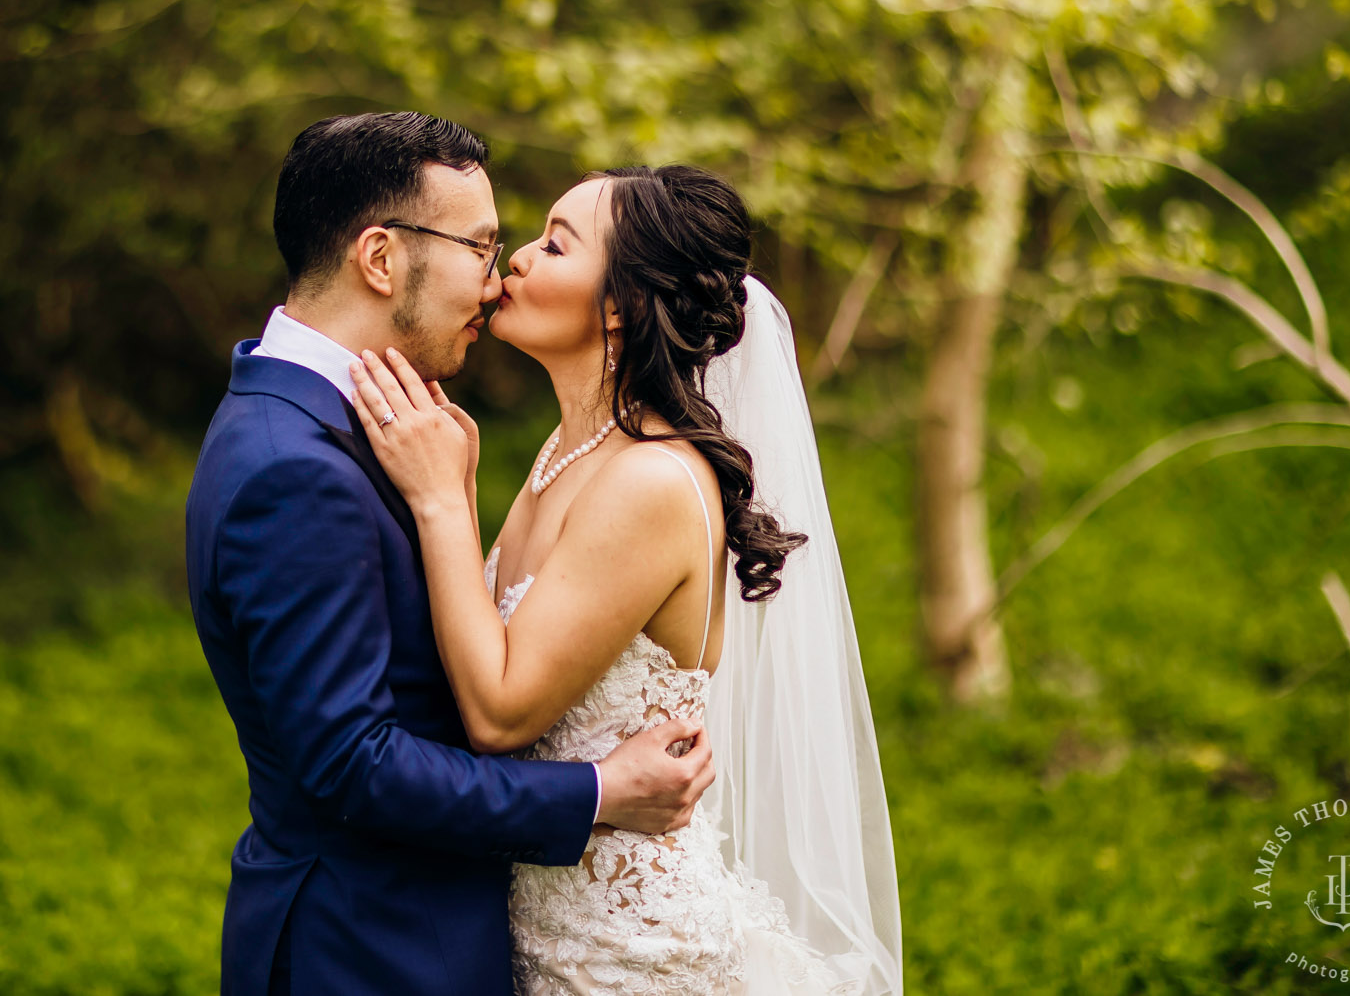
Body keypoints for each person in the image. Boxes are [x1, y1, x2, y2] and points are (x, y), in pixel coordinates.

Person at [185, 115, 717, 996]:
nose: (498, 274)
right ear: (383, 259)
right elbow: (353, 761)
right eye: (482, 244)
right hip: (369, 952)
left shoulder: (359, 426)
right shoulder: (296, 466)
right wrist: (595, 793)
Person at [345, 164, 904, 995]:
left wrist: (439, 504)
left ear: (620, 305)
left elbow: (500, 710)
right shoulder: (562, 453)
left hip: (631, 957)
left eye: (556, 244)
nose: (518, 260)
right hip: (540, 928)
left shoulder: (650, 481)